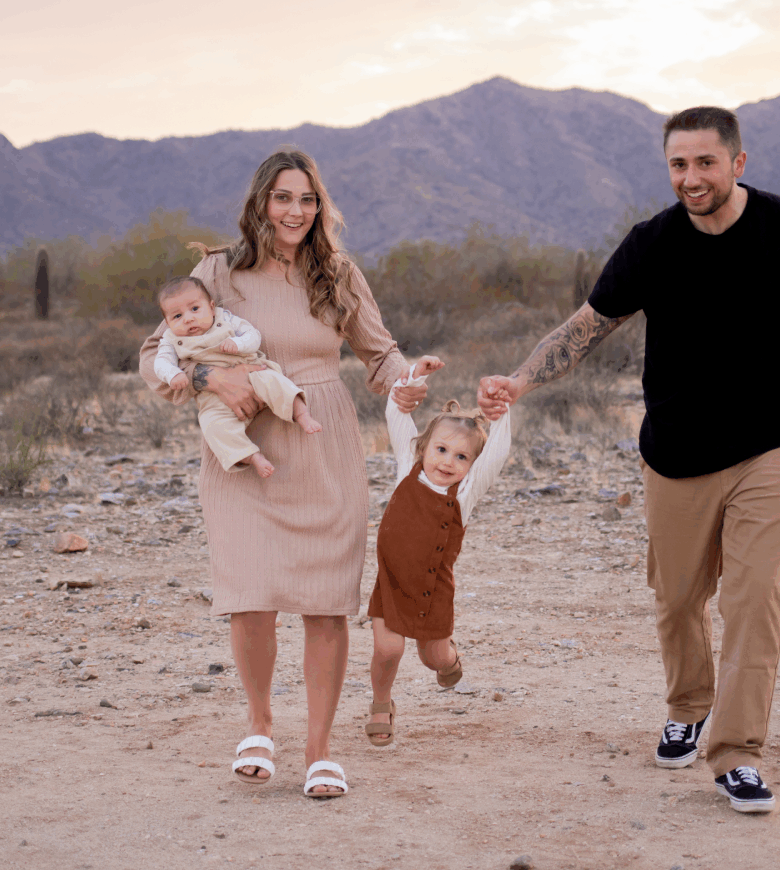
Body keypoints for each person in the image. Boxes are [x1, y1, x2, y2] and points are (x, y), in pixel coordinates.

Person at [478, 106, 780, 815]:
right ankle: (689, 704)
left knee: (754, 603)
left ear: (737, 163)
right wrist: (519, 381)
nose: (691, 177)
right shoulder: (653, 244)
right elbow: (587, 327)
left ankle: (737, 753)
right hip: (674, 454)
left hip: (765, 450)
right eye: (679, 164)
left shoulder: (778, 229)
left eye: (706, 162)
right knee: (678, 600)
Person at [139, 149, 427, 798]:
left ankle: (320, 750)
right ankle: (260, 728)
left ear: (319, 207)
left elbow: (381, 358)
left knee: (325, 606)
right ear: (260, 203)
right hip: (242, 449)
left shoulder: (339, 274)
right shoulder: (218, 270)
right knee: (250, 597)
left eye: (307, 199)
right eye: (283, 198)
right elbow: (156, 352)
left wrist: (409, 383)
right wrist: (213, 375)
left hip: (322, 444)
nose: (296, 211)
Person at [365, 355, 511, 746]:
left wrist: (499, 411)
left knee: (434, 659)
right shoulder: (405, 468)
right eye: (442, 450)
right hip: (393, 582)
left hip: (435, 589)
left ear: (472, 465)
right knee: (388, 648)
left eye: (462, 457)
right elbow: (396, 412)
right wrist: (412, 376)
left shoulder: (465, 494)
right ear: (423, 447)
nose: (448, 462)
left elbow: (497, 453)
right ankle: (381, 704)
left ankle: (449, 657)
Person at [153, 275, 321, 479]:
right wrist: (174, 374)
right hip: (213, 396)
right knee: (212, 424)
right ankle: (251, 455)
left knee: (274, 382)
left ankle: (301, 413)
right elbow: (160, 362)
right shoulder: (170, 339)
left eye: (195, 309)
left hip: (251, 371)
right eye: (177, 316)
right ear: (167, 322)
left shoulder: (226, 319)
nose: (188, 319)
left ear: (211, 307)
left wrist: (239, 344)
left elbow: (253, 335)